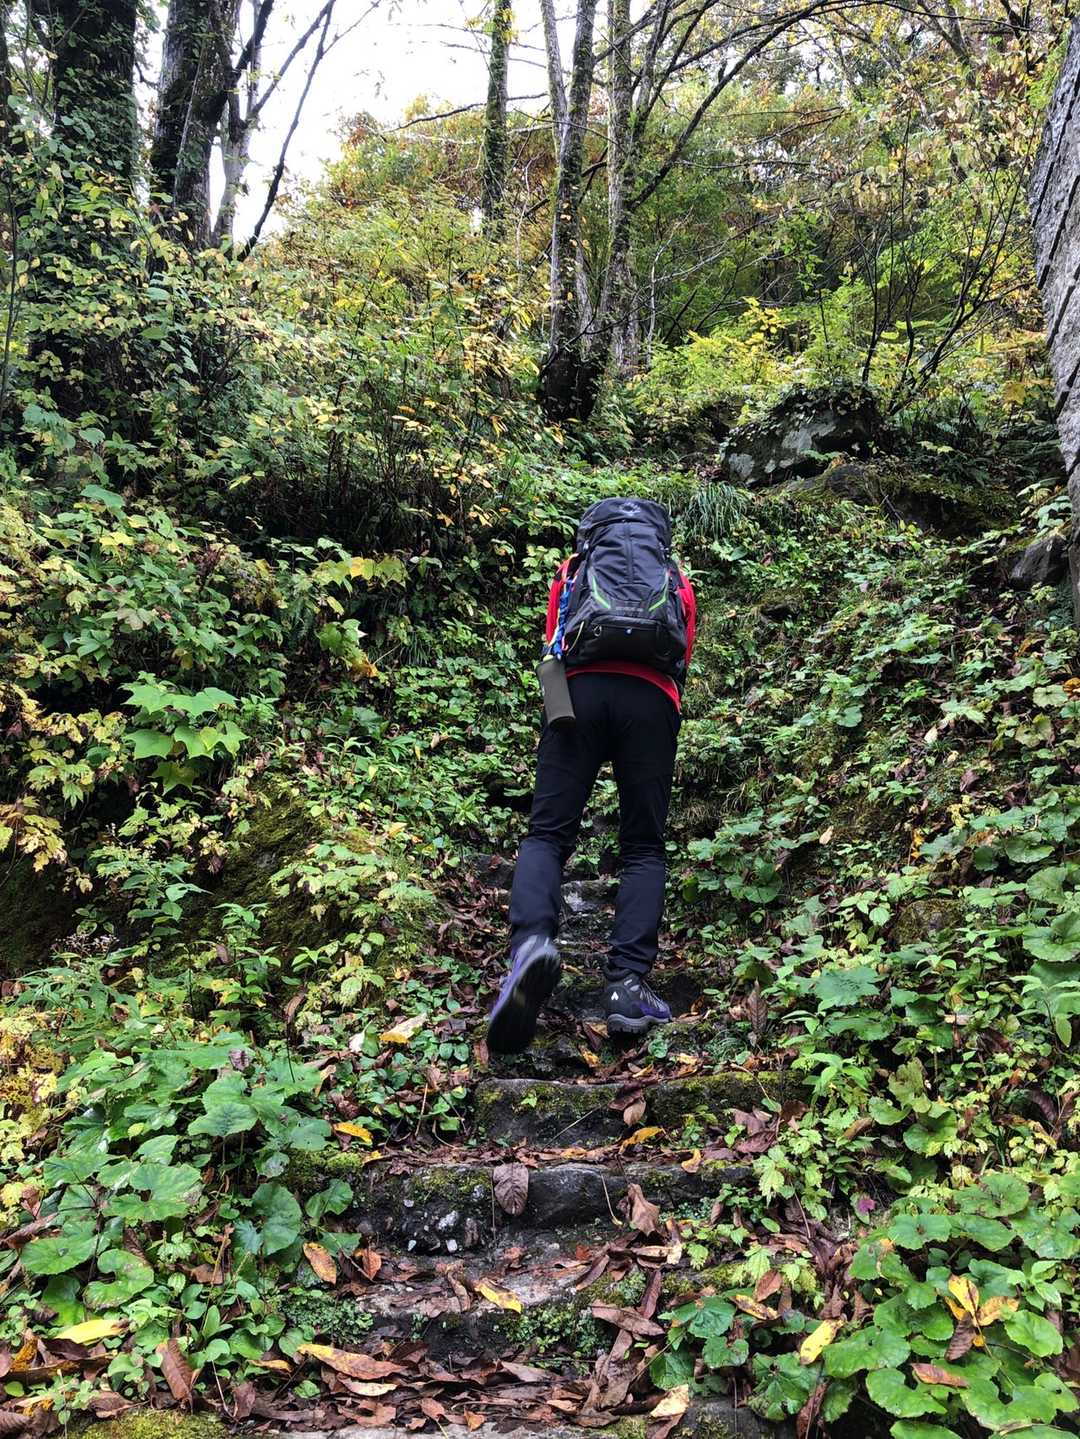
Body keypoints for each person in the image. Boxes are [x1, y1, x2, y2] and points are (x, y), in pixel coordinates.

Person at [487, 497, 697, 1055]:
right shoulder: (672, 575)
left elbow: (553, 642)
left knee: (547, 833)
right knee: (643, 846)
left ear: (591, 534)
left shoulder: (574, 571)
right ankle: (627, 985)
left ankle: (531, 945)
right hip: (651, 701)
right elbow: (683, 651)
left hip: (578, 694)